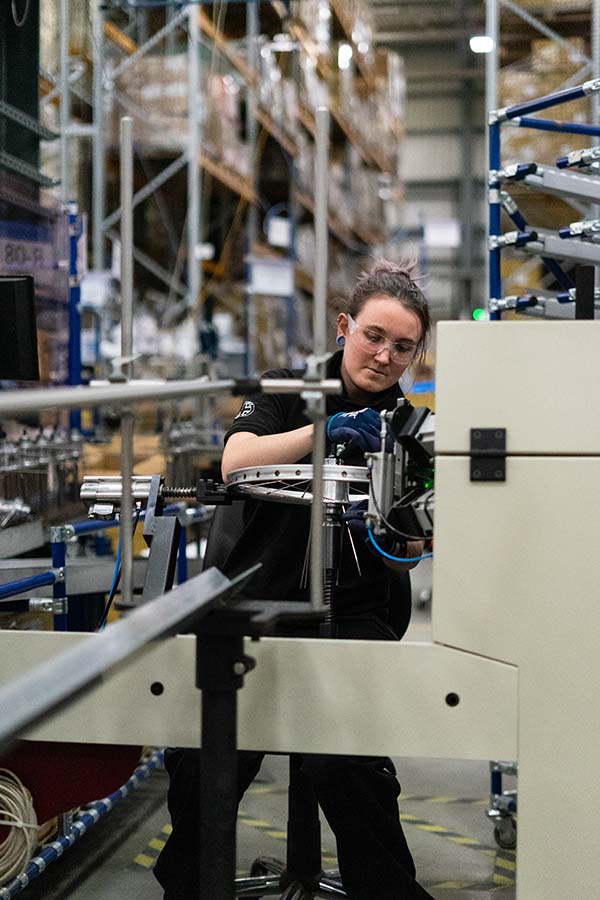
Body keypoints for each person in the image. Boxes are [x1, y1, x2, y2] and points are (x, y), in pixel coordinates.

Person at [154, 258, 435, 900]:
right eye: (373, 336)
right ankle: (187, 888)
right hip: (257, 598)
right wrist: (324, 433)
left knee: (344, 756)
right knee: (211, 757)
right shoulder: (284, 387)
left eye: (402, 347)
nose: (385, 356)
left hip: (359, 609)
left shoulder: (408, 424)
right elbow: (234, 462)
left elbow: (418, 534)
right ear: (344, 326)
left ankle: (387, 891)